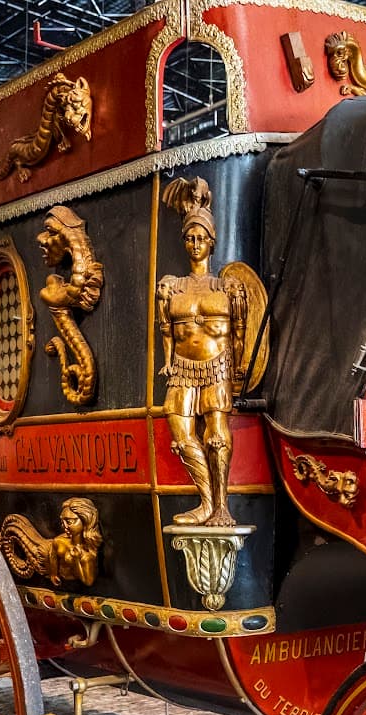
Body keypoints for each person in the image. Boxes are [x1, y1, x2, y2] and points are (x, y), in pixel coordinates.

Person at [156, 177, 247, 527]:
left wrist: (238, 369)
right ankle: (206, 501)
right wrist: (166, 362)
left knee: (217, 434)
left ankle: (222, 506)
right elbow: (167, 330)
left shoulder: (227, 286)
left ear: (212, 242)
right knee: (179, 429)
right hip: (182, 367)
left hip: (218, 365)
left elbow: (239, 332)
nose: (195, 244)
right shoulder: (171, 286)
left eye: (201, 238)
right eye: (190, 238)